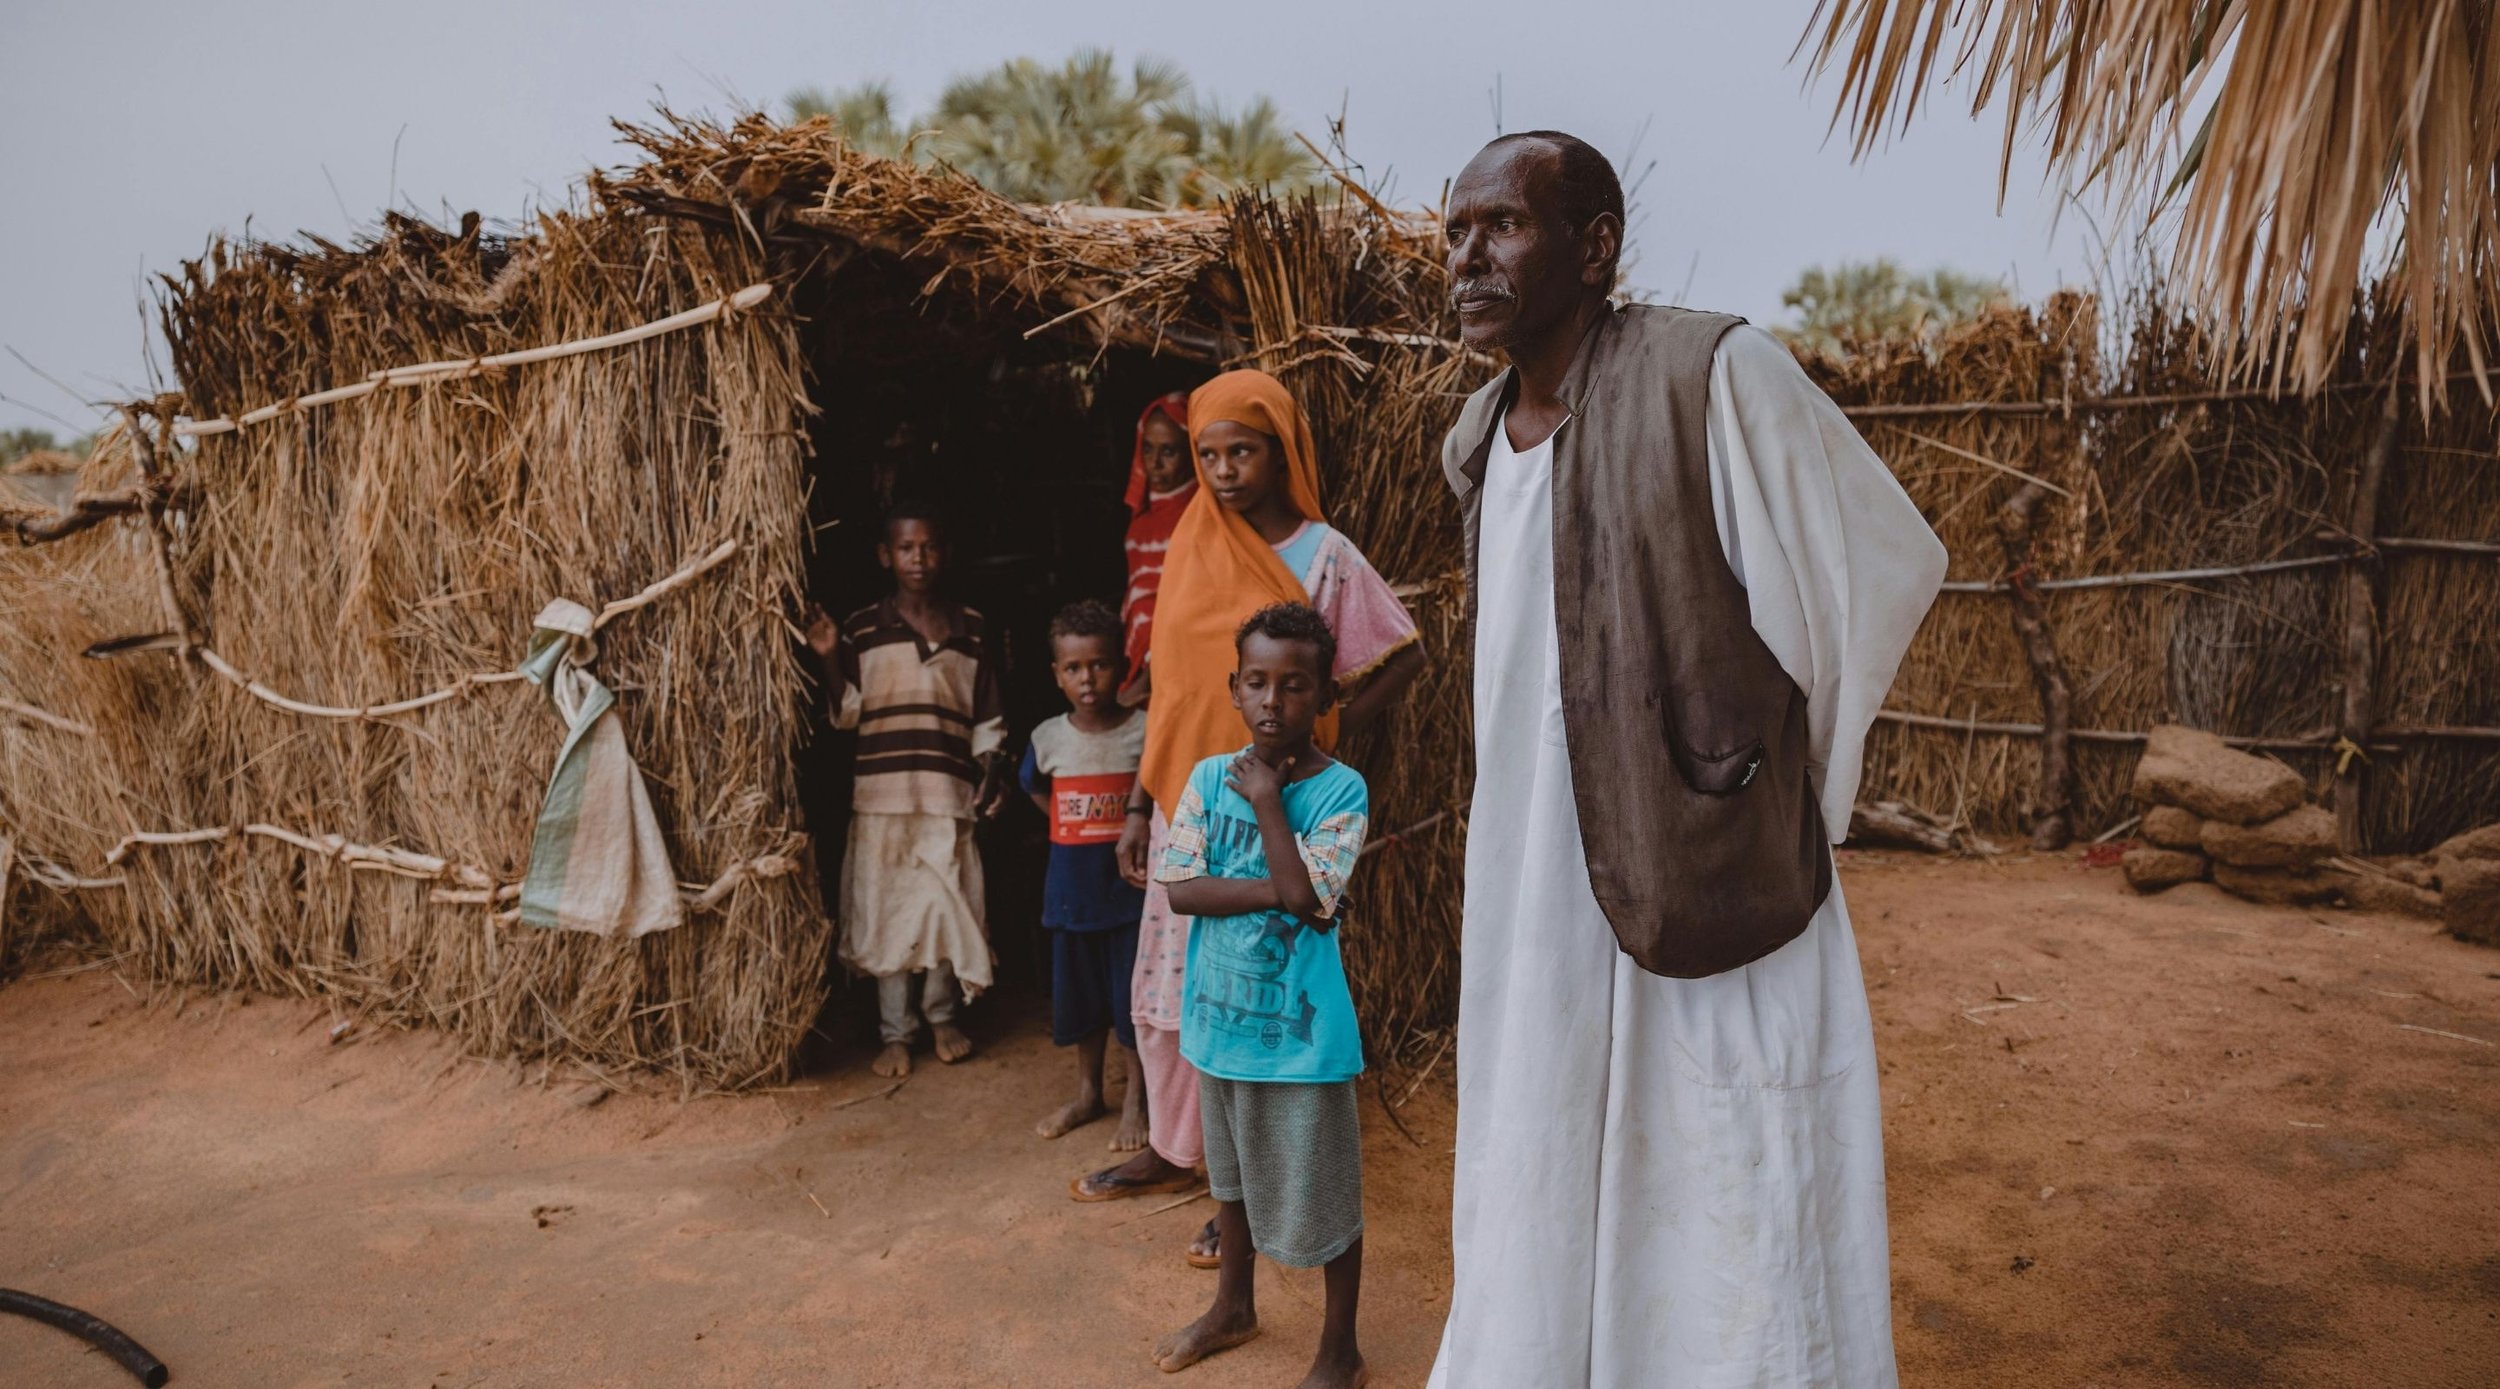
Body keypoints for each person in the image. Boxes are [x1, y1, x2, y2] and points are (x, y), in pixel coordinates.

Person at [1427, 132, 1947, 1387]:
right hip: (1535, 884)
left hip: (1711, 866)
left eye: (1501, 226)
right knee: (1543, 1142)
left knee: (1727, 1159)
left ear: (1594, 244)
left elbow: (1870, 571)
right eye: (1454, 234)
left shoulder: (1714, 375)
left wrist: (1754, 784)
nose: (1466, 258)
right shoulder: (1474, 440)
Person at [1070, 370, 1424, 1274]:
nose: (1224, 471)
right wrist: (1141, 805)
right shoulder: (1190, 542)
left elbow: (1401, 651)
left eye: (1243, 450)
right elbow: (1179, 693)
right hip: (1194, 808)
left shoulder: (1324, 555)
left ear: (1282, 452)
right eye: (1209, 454)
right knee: (1168, 996)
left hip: (1279, 819)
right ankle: (1177, 1149)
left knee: (1259, 996)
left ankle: (1246, 1195)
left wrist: (1329, 729)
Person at [1148, 602, 1371, 1388]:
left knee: (1329, 1194)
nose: (1274, 701)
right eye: (1257, 682)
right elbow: (1179, 889)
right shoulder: (1210, 777)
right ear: (1233, 690)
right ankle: (1232, 1306)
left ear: (1325, 697)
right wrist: (1276, 887)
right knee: (1232, 1182)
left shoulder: (1342, 792)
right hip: (1219, 1023)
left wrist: (1271, 802)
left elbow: (1311, 902)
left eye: (1295, 685)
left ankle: (1340, 1347)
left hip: (1305, 1039)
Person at [805, 503, 1011, 1081]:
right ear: (884, 556)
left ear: (944, 553)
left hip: (947, 795)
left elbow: (988, 723)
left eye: (928, 547)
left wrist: (989, 775)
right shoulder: (863, 628)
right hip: (883, 798)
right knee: (888, 912)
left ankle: (942, 1015)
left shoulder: (970, 627)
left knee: (948, 907)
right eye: (905, 548)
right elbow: (846, 715)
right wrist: (827, 658)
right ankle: (896, 1031)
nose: (917, 559)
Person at [1019, 599, 1150, 1150]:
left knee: (1131, 1003)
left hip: (1130, 896)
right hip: (1071, 895)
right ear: (1056, 675)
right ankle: (1088, 1092)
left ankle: (1137, 1105)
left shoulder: (1144, 731)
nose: (1087, 678)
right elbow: (1031, 783)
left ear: (1121, 666)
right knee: (1083, 1002)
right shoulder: (1048, 736)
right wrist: (1066, 822)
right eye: (1073, 669)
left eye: (1097, 664)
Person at [1118, 391, 1197, 706]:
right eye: (1148, 449)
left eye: (1169, 451)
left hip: (1183, 657)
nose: (1155, 463)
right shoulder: (1140, 524)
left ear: (1191, 454)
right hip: (1140, 662)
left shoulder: (1201, 516)